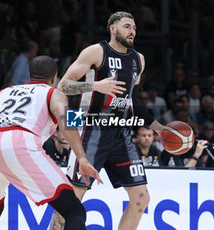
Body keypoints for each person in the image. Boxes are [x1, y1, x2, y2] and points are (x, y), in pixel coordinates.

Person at [0, 56, 102, 230]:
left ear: (29, 75)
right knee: (74, 211)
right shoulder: (53, 93)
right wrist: (82, 157)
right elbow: (64, 119)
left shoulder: (4, 92)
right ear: (53, 78)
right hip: (20, 144)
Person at [52, 12, 165, 230]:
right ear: (113, 29)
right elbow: (63, 85)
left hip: (120, 134)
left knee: (141, 198)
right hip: (89, 131)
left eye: (134, 27)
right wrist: (95, 86)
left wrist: (159, 127)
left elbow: (131, 100)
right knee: (72, 199)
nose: (132, 31)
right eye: (126, 26)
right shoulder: (96, 51)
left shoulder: (138, 60)